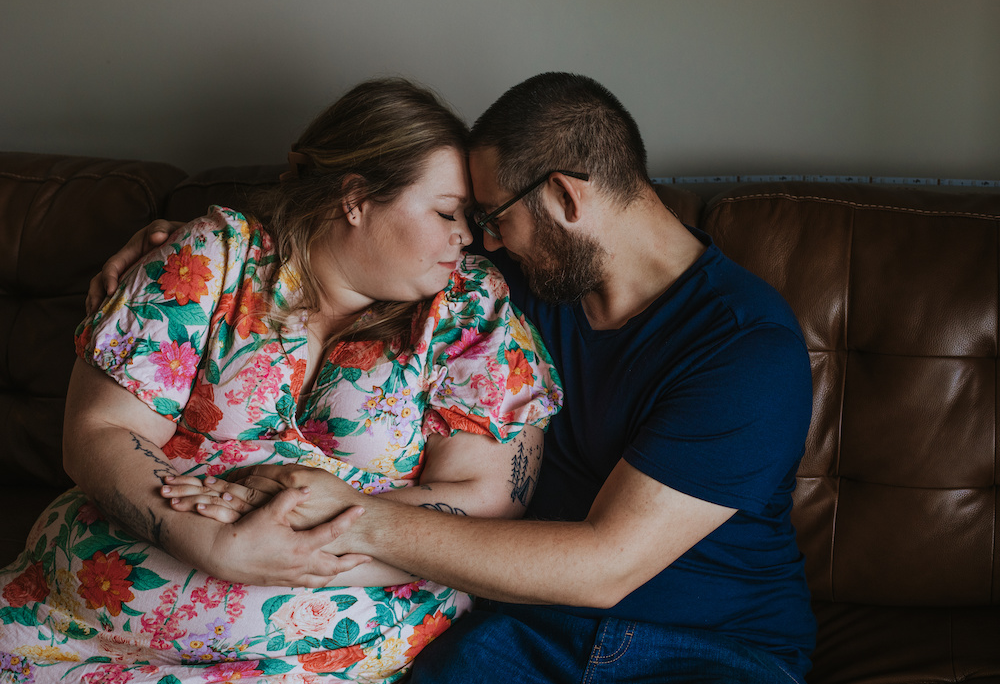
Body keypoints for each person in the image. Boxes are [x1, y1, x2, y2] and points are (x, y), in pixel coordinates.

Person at [85, 72, 816, 683]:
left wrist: (352, 513)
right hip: (525, 631)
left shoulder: (747, 349)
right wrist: (168, 243)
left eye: (493, 218)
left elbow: (604, 565)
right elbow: (352, 230)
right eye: (468, 219)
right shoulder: (527, 282)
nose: (477, 242)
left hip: (708, 646)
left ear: (564, 198)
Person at [0, 79, 563, 683]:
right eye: (447, 213)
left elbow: (484, 502)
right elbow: (100, 430)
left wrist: (286, 526)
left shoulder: (469, 308)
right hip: (73, 622)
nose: (468, 237)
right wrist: (215, 544)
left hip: (319, 652)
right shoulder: (214, 257)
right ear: (356, 199)